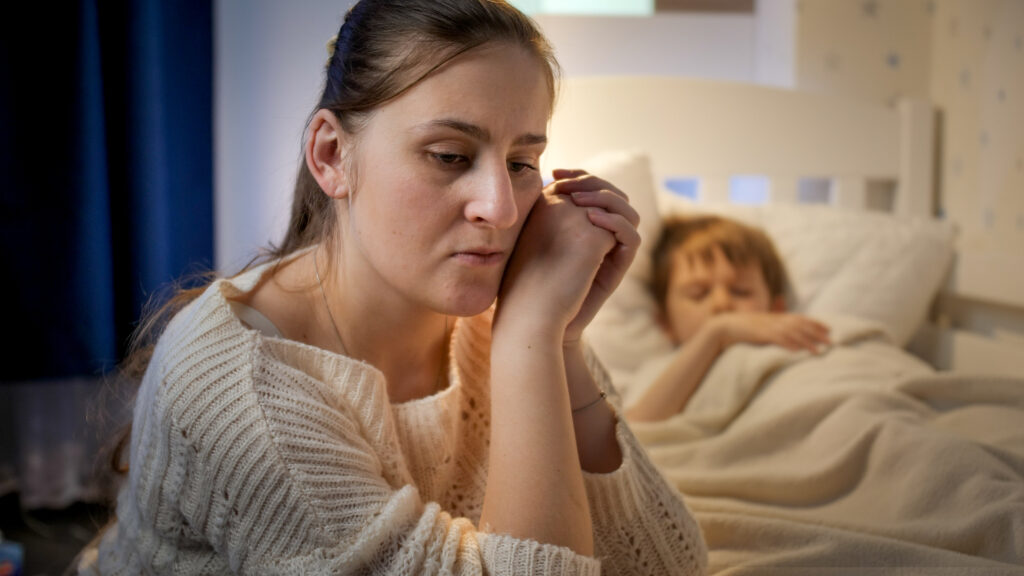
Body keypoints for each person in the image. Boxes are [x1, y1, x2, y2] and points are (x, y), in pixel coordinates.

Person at [78, 1, 706, 574]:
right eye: (449, 156)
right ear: (330, 156)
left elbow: (666, 562)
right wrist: (530, 339)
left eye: (521, 164)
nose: (502, 209)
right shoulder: (245, 392)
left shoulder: (506, 313)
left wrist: (559, 346)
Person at [624, 215, 832, 423]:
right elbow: (635, 432)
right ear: (665, 322)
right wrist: (716, 333)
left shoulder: (794, 341)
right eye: (699, 293)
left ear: (776, 310)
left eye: (740, 292)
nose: (722, 303)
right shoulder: (660, 370)